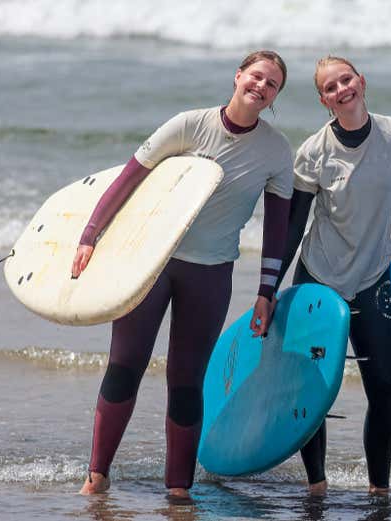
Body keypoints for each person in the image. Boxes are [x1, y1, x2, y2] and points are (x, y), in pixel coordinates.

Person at [72, 50, 294, 497]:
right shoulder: (189, 125)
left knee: (187, 380)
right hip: (150, 264)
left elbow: (277, 231)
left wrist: (265, 291)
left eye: (272, 84)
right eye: (256, 76)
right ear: (238, 76)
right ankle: (96, 476)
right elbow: (129, 179)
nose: (261, 86)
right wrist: (89, 235)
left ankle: (178, 489)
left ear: (275, 97)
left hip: (210, 273)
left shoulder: (276, 151)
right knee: (125, 366)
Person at [275, 55, 391, 496]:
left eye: (346, 79)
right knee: (312, 391)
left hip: (373, 278)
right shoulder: (313, 153)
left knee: (382, 388)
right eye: (330, 87)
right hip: (319, 279)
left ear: (362, 80)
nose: (342, 89)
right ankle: (317, 487)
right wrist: (268, 290)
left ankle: (380, 491)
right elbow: (294, 228)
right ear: (324, 100)